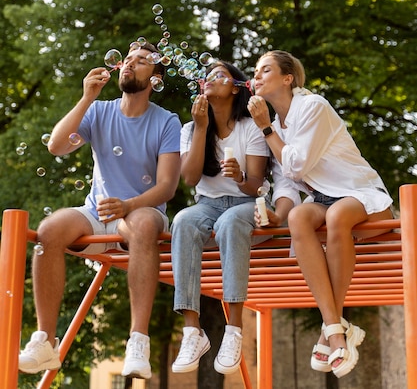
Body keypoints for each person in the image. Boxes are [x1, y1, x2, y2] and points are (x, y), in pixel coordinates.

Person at [18, 41, 181, 380]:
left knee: (144, 225)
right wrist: (86, 98)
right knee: (48, 231)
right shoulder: (99, 110)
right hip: (96, 212)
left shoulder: (167, 121)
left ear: (155, 79)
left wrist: (129, 205)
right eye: (128, 59)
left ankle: (138, 340)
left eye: (141, 61)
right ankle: (45, 340)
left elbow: (166, 186)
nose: (130, 64)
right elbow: (56, 146)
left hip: (139, 211)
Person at [248, 49, 394, 379]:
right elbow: (288, 181)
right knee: (299, 217)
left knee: (335, 216)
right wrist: (275, 213)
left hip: (364, 197)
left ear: (288, 78)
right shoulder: (276, 126)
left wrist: (266, 129)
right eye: (255, 71)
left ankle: (332, 330)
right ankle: (335, 326)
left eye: (265, 70)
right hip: (326, 201)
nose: (256, 76)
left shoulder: (313, 106)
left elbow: (296, 164)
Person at [170, 60, 295, 376]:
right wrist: (200, 127)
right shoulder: (190, 128)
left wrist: (240, 176)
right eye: (207, 76)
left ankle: (234, 330)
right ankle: (192, 331)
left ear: (236, 87)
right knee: (183, 220)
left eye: (220, 75)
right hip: (207, 203)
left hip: (245, 202)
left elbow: (255, 185)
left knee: (229, 222)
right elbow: (189, 178)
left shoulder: (250, 127)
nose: (211, 79)